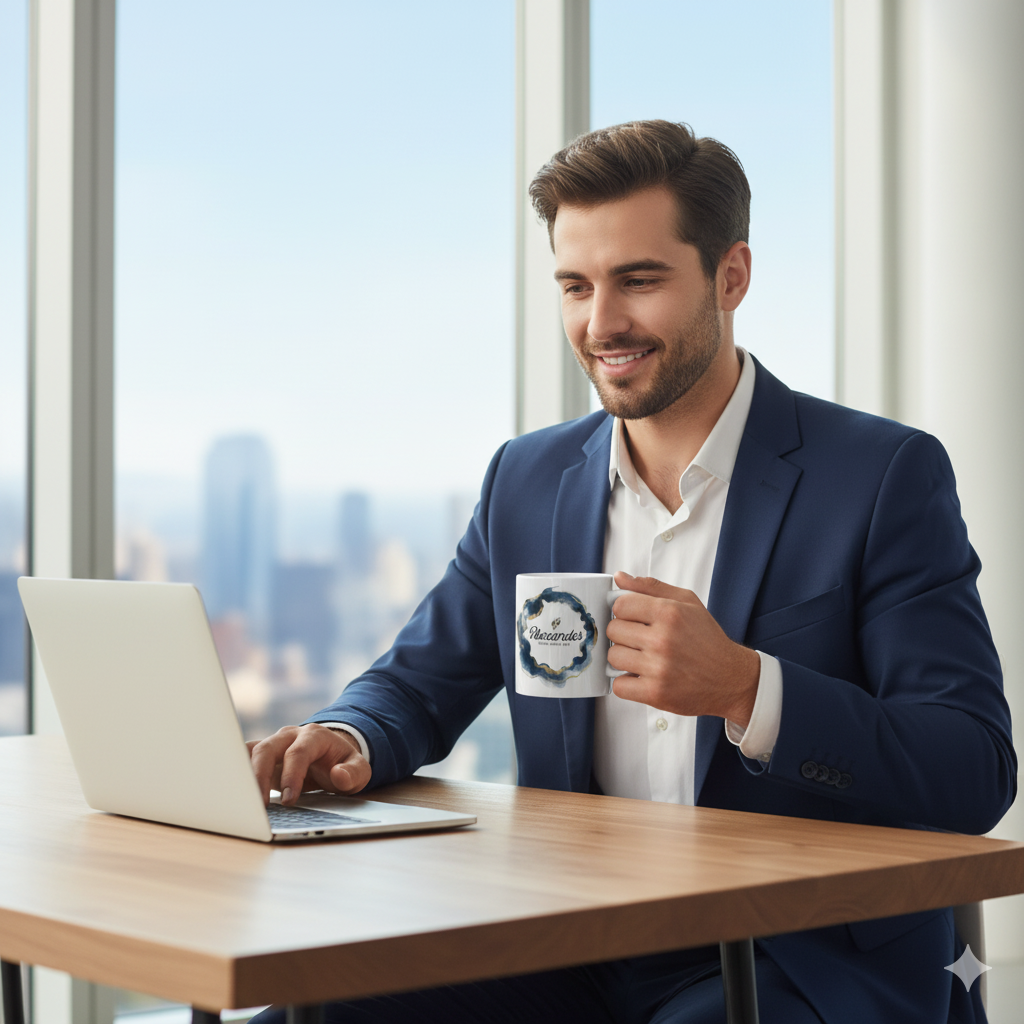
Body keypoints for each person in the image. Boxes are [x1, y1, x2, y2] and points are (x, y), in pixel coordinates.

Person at [247, 120, 1015, 1024]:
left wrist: (746, 688)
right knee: (305, 1014)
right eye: (576, 286)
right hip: (566, 937)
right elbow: (418, 683)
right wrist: (349, 736)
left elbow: (971, 767)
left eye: (639, 281)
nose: (601, 323)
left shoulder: (879, 476)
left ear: (731, 277)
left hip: (791, 951)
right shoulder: (526, 480)